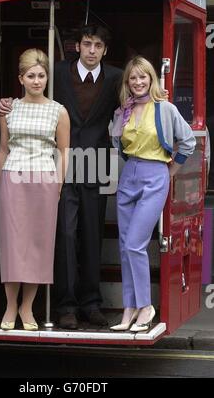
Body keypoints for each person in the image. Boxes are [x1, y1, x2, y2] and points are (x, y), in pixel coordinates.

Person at [0, 24, 122, 329]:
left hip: (95, 163)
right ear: (77, 46)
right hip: (57, 164)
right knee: (64, 236)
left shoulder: (117, 77)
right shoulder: (56, 71)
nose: (92, 50)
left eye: (98, 46)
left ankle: (91, 304)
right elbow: (31, 95)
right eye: (87, 44)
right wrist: (6, 103)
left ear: (105, 51)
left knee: (92, 235)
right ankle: (66, 305)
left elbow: (135, 102)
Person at [110, 56, 196, 332]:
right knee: (125, 247)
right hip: (128, 176)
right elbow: (117, 142)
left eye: (142, 77)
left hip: (155, 175)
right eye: (132, 78)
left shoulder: (165, 108)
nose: (138, 82)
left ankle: (146, 305)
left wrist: (170, 171)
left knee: (135, 243)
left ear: (152, 78)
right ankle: (130, 307)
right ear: (127, 82)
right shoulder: (123, 110)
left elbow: (189, 141)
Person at [0, 48, 70, 331]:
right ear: (21, 78)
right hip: (13, 178)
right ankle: (10, 305)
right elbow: (3, 149)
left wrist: (58, 185)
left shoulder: (58, 111)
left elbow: (64, 152)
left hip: (44, 179)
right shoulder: (9, 108)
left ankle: (27, 308)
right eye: (31, 76)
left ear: (47, 78)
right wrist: (2, 182)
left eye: (41, 75)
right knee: (13, 245)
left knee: (38, 246)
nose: (37, 80)